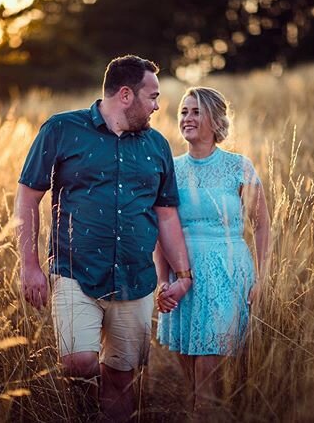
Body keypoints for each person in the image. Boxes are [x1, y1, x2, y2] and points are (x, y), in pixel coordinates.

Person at [15, 55, 192, 422]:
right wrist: (29, 266)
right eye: (153, 96)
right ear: (125, 95)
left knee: (122, 378)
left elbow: (167, 214)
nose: (158, 106)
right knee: (78, 364)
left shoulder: (156, 146)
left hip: (135, 279)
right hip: (75, 272)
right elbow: (28, 195)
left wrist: (182, 275)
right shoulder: (61, 129)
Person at [155, 87, 271, 419]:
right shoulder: (170, 169)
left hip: (227, 277)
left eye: (195, 112)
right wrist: (162, 282)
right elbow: (162, 231)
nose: (187, 118)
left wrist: (261, 279)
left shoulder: (238, 166)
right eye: (183, 111)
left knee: (207, 385)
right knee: (193, 390)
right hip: (183, 281)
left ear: (215, 120)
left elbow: (262, 226)